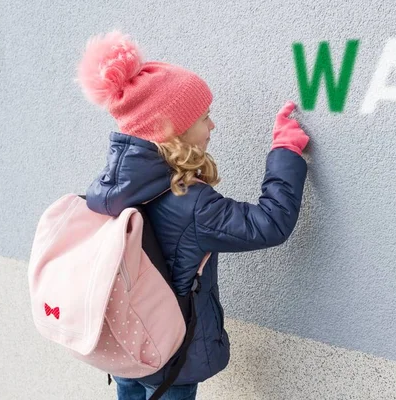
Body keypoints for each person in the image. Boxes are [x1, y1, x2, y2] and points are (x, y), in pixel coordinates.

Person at [75, 30, 310, 400]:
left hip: (123, 346)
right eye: (204, 117)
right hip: (169, 358)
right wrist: (285, 151)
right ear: (173, 131)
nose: (212, 126)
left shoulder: (109, 188)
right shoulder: (192, 203)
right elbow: (270, 223)